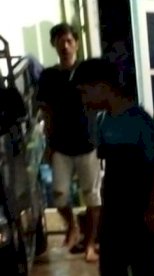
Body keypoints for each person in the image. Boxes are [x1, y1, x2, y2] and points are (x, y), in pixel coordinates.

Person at [72, 58, 154, 276]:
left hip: (140, 207)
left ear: (103, 87)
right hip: (114, 208)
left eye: (86, 92)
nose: (84, 99)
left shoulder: (141, 121)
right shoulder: (103, 122)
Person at [36, 23, 100, 262]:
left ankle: (90, 244)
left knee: (92, 197)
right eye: (60, 41)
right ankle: (72, 227)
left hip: (88, 143)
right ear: (54, 45)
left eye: (69, 41)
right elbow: (46, 112)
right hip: (61, 145)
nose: (65, 46)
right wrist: (48, 144)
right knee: (59, 195)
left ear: (77, 43)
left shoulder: (88, 71)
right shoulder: (48, 76)